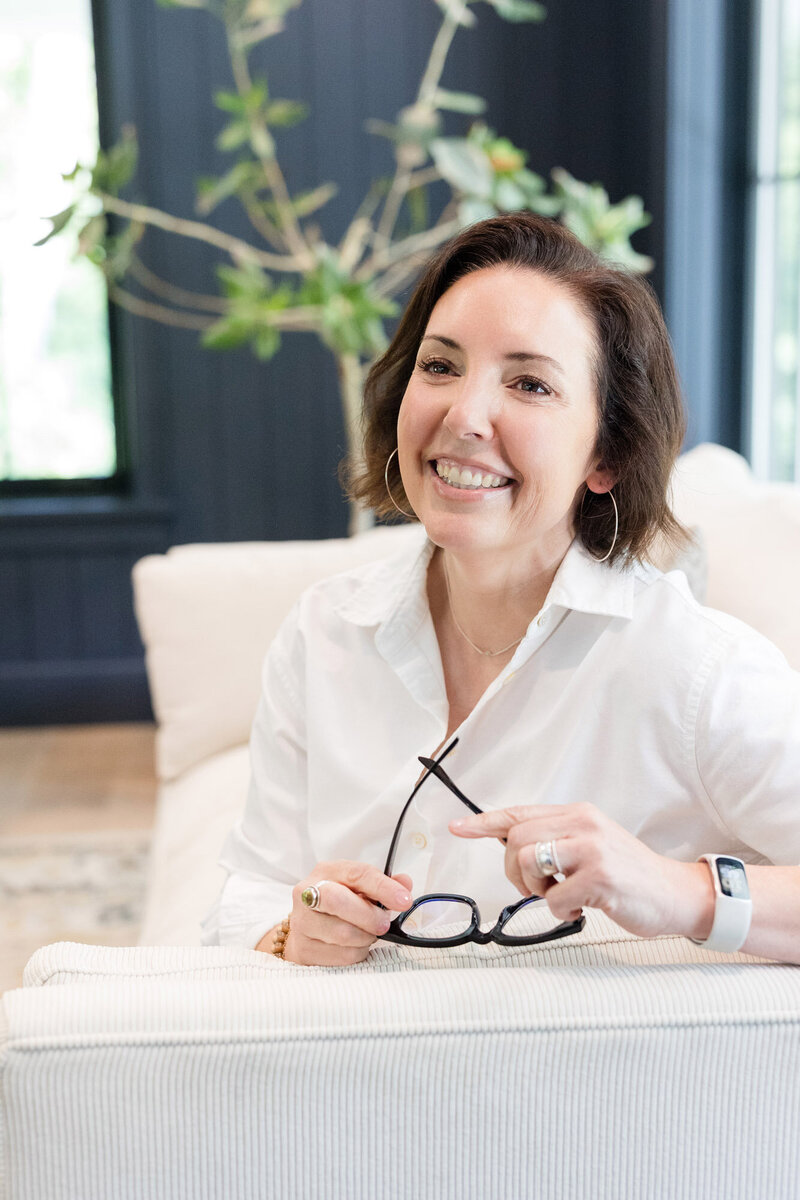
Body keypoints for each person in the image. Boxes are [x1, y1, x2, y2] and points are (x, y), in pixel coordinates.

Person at [200, 212, 800, 966]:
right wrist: (291, 932)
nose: (463, 415)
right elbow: (251, 887)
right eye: (441, 367)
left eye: (529, 383)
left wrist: (680, 891)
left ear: (606, 456)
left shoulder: (697, 671)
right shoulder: (325, 630)